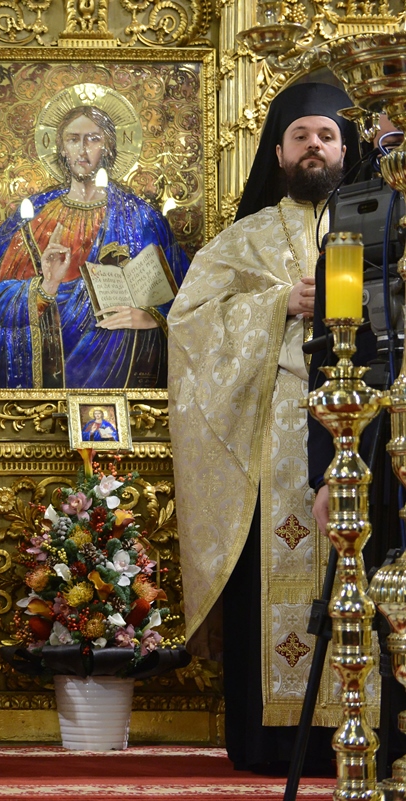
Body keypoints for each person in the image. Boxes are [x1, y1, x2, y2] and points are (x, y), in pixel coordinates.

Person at [168, 82, 359, 773]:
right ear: (278, 151)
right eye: (301, 135)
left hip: (364, 431)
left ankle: (366, 733)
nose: (314, 146)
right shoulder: (242, 240)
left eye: (327, 135)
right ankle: (274, 743)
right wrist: (280, 303)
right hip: (269, 444)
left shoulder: (379, 229)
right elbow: (190, 325)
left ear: (347, 148)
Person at [0, 85, 191, 389]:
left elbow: (187, 299)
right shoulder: (33, 218)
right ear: (61, 148)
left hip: (123, 370)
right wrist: (46, 287)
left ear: (108, 146)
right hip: (50, 371)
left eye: (93, 139)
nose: (82, 149)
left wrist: (151, 319)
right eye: (73, 139)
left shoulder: (142, 218)